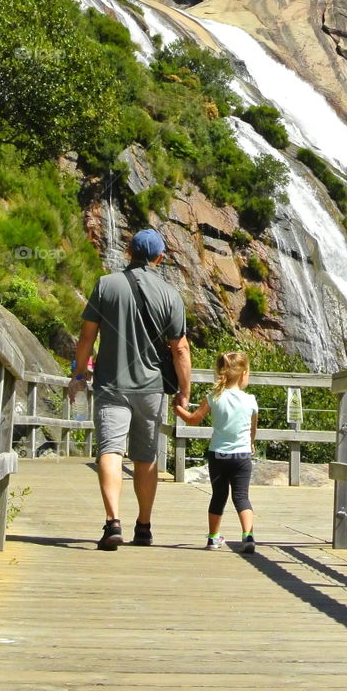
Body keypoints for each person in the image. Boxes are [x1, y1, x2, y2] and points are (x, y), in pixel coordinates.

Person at [67, 228, 191, 550]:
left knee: (109, 450)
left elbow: (86, 337)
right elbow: (180, 350)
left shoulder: (106, 285)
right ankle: (144, 526)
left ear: (128, 252)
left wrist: (79, 375)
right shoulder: (171, 295)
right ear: (159, 258)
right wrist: (184, 392)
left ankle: (113, 523)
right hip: (151, 389)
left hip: (111, 384)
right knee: (145, 457)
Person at [174, 351, 258, 553]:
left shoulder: (213, 397)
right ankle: (248, 535)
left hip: (218, 454)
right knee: (241, 496)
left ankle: (213, 538)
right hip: (242, 455)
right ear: (244, 374)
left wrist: (177, 409)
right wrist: (251, 443)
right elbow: (252, 429)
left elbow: (193, 419)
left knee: (218, 496)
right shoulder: (251, 401)